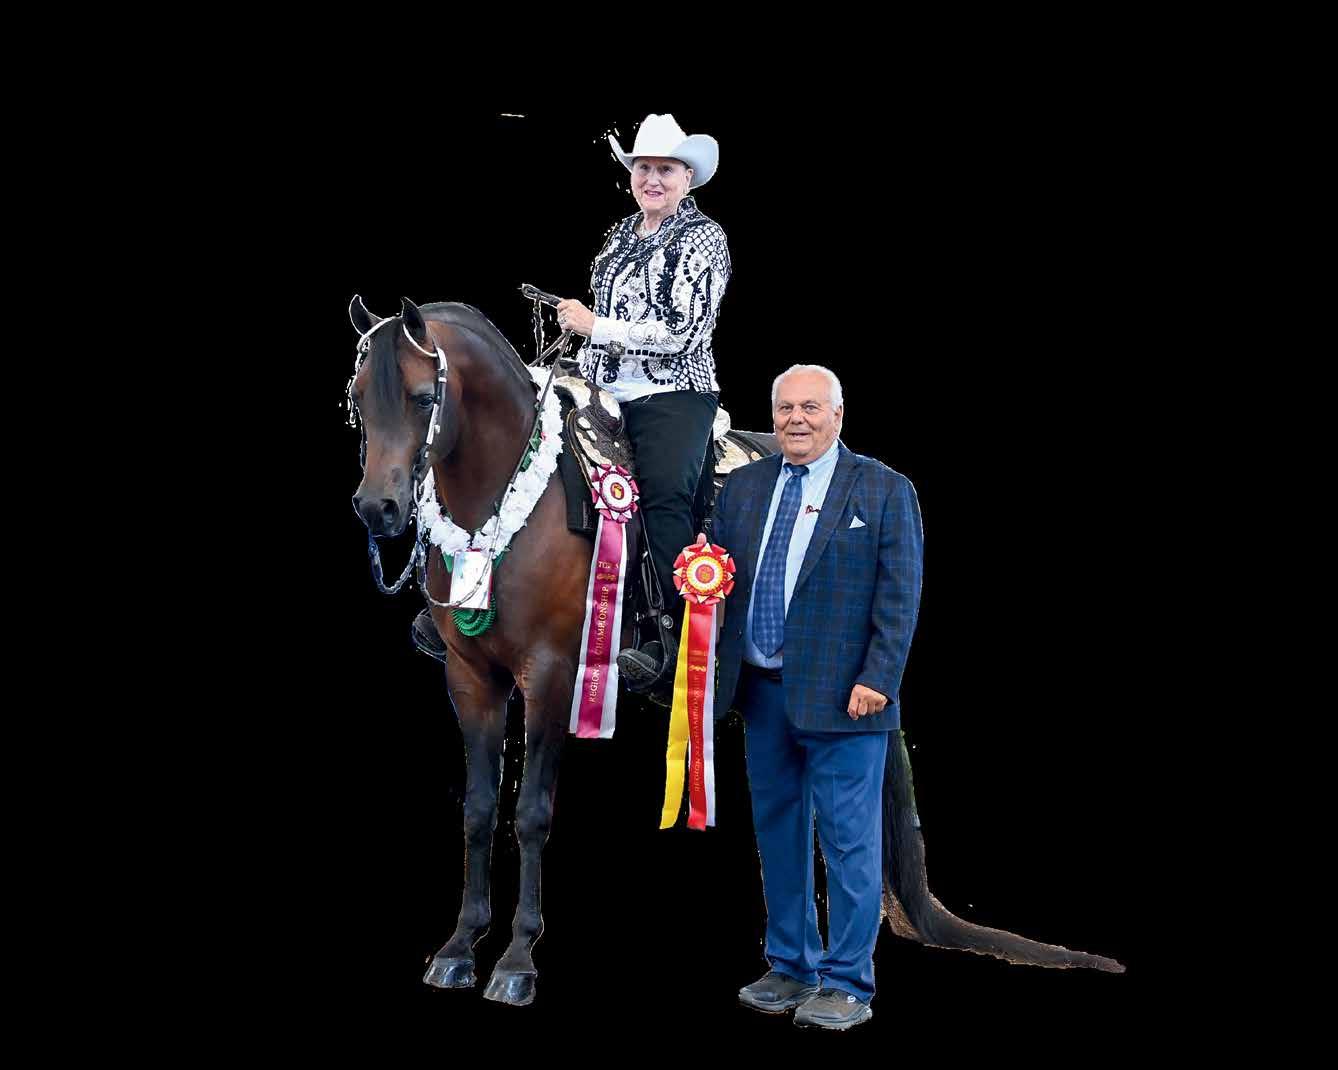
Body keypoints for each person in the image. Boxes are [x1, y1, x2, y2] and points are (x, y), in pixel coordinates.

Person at [709, 364, 924, 1030]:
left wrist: (879, 678)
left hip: (847, 698)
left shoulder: (883, 489)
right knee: (779, 835)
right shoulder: (743, 488)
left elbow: (900, 594)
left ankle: (848, 983)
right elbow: (717, 582)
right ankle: (791, 965)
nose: (795, 419)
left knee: (849, 844)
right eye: (785, 408)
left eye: (810, 407)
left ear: (837, 415)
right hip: (762, 696)